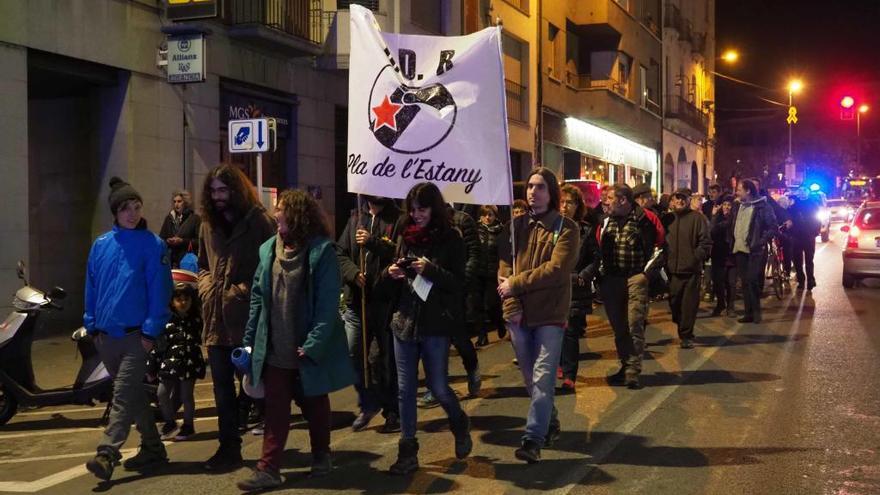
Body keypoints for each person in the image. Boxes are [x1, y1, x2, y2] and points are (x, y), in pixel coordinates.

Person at [236, 190, 356, 490]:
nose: (276, 213)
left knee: (314, 404)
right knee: (276, 409)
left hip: (305, 349)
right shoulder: (267, 250)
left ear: (298, 216)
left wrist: (314, 344)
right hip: (275, 347)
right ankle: (268, 469)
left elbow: (328, 305)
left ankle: (321, 455)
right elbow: (257, 300)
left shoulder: (321, 252)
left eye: (281, 209)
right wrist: (249, 343)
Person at [379, 182, 473, 475]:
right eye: (413, 210)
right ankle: (408, 450)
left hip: (435, 324)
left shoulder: (452, 238)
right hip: (404, 321)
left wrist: (429, 269)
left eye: (422, 209)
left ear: (435, 207)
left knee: (438, 386)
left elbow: (459, 283)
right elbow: (391, 278)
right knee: (405, 390)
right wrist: (390, 272)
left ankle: (458, 421)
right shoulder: (404, 235)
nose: (416, 215)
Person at [84, 177, 172, 481]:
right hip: (106, 337)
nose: (132, 213)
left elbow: (160, 291)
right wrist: (91, 323)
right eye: (125, 208)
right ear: (115, 212)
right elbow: (92, 287)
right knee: (132, 396)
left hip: (138, 337)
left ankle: (107, 453)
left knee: (121, 394)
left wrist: (151, 332)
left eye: (136, 207)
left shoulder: (153, 244)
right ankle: (154, 449)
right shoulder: (101, 245)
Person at [498, 168, 580, 463]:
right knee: (530, 379)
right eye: (530, 186)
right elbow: (504, 269)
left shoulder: (566, 228)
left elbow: (556, 270)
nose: (533, 192)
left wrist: (516, 284)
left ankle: (533, 438)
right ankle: (550, 419)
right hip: (519, 314)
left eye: (541, 187)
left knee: (544, 377)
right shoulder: (514, 226)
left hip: (550, 314)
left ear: (552, 192)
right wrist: (511, 306)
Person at [197, 164, 275, 470]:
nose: (218, 197)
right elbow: (203, 264)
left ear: (236, 190)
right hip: (216, 319)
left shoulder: (258, 222)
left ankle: (273, 446)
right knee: (221, 390)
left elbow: (269, 266)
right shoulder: (207, 223)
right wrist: (205, 287)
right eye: (213, 191)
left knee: (257, 386)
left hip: (247, 319)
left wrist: (240, 291)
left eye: (223, 190)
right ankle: (229, 448)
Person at [336, 196, 401, 433]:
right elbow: (340, 253)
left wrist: (373, 242)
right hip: (356, 302)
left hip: (385, 303)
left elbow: (399, 252)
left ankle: (392, 410)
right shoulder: (356, 218)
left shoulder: (398, 218)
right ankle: (367, 402)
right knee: (353, 353)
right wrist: (353, 273)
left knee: (384, 359)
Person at [598, 184, 665, 389]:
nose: (605, 201)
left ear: (623, 200)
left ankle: (633, 370)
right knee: (619, 328)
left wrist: (646, 274)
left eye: (609, 198)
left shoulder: (646, 219)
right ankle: (625, 364)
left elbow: (661, 248)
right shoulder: (604, 221)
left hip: (635, 278)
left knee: (634, 324)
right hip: (612, 281)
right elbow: (596, 249)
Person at [147, 268, 206, 441]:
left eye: (186, 299)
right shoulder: (166, 320)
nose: (183, 302)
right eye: (178, 299)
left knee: (186, 396)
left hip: (189, 362)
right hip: (169, 362)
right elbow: (159, 344)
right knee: (162, 393)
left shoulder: (195, 319)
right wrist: (153, 363)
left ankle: (188, 426)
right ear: (172, 302)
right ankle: (170, 422)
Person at [558, 184, 600, 391]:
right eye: (562, 202)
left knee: (571, 331)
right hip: (552, 288)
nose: (565, 206)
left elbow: (595, 258)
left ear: (578, 206)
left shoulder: (585, 230)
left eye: (570, 202)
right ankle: (557, 363)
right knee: (552, 330)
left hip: (575, 286)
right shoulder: (548, 228)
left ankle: (569, 375)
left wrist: (584, 275)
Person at [666, 189, 712, 349]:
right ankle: (681, 324)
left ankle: (686, 335)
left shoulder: (697, 219)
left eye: (682, 199)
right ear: (671, 201)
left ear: (688, 200)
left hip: (691, 270)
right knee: (675, 303)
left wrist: (695, 257)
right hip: (672, 270)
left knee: (689, 305)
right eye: (676, 198)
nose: (679, 201)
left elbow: (705, 242)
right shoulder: (667, 219)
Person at [729, 179, 777, 323]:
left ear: (748, 190)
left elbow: (772, 227)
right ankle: (748, 313)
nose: (736, 192)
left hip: (754, 250)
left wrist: (760, 241)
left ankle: (756, 312)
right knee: (744, 282)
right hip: (739, 249)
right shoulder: (738, 206)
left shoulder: (763, 207)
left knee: (752, 280)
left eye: (739, 189)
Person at [477, 205, 505, 346]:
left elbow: (503, 252)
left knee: (492, 304)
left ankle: (499, 322)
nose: (487, 217)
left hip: (493, 273)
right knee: (479, 305)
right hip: (478, 272)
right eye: (485, 214)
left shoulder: (501, 231)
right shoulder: (476, 230)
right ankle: (482, 336)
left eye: (491, 214)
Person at [787, 187, 821, 291]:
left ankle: (810, 280)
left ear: (807, 193)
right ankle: (801, 280)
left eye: (804, 191)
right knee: (797, 261)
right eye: (800, 191)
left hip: (809, 236)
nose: (802, 193)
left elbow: (817, 220)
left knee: (809, 260)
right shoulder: (793, 206)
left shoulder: (813, 205)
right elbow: (789, 219)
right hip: (797, 237)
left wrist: (815, 232)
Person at [709, 195, 737, 317]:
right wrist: (714, 216)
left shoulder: (736, 219)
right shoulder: (717, 218)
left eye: (729, 205)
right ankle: (721, 304)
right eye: (724, 204)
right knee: (718, 282)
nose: (726, 207)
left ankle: (731, 307)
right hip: (718, 254)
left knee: (731, 282)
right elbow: (711, 231)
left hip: (732, 254)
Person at [159, 190, 201, 268]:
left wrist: (182, 241)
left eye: (179, 201)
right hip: (170, 261)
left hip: (187, 261)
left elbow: (199, 241)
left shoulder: (194, 219)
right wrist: (168, 241)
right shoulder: (169, 219)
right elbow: (161, 239)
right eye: (174, 202)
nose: (176, 204)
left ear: (185, 203)